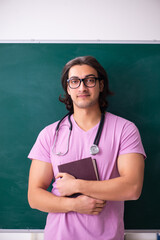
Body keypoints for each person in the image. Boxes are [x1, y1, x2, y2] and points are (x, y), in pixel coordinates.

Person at [28, 56, 146, 240]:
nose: (82, 88)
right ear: (68, 88)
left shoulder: (124, 129)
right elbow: (34, 196)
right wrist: (74, 205)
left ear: (100, 86)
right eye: (75, 81)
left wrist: (76, 185)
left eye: (89, 80)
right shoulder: (50, 134)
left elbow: (132, 188)